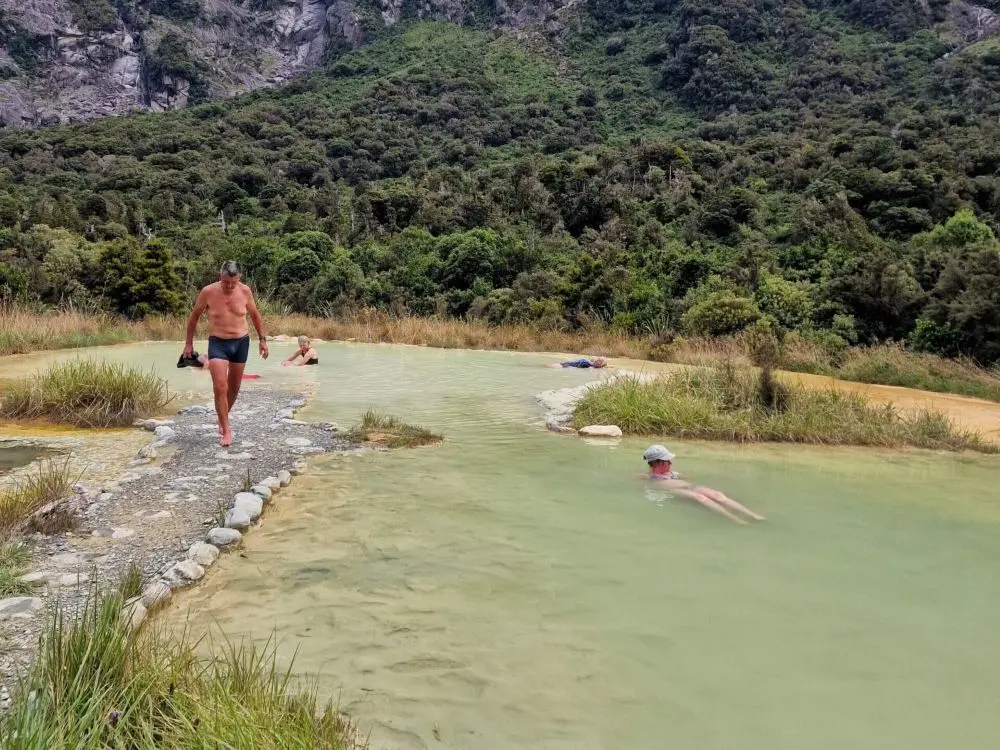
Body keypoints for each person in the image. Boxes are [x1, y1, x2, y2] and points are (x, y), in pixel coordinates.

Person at [182, 260, 269, 447]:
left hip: (241, 342)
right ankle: (227, 429)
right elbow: (193, 317)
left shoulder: (245, 291)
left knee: (234, 388)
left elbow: (255, 316)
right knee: (219, 387)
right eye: (225, 282)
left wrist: (262, 340)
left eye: (233, 282)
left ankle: (222, 417)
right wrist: (188, 344)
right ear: (219, 276)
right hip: (218, 343)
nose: (229, 286)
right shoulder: (208, 292)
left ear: (239, 278)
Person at [642, 444, 764, 525]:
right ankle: (734, 519)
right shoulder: (649, 477)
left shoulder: (673, 473)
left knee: (717, 495)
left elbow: (691, 478)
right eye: (667, 461)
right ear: (657, 463)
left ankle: (753, 515)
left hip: (689, 486)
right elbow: (636, 480)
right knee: (700, 497)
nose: (670, 462)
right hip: (673, 491)